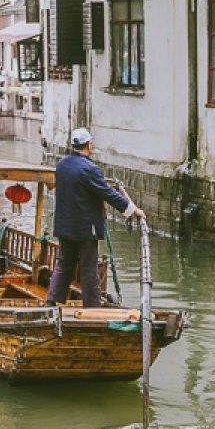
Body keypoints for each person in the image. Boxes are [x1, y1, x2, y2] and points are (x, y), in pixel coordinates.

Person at [47, 128, 146, 308]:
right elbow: (108, 193)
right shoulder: (90, 169)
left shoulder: (62, 165)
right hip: (85, 229)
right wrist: (133, 210)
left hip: (64, 226)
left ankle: (52, 301)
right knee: (89, 269)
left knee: (63, 265)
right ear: (88, 145)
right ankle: (92, 308)